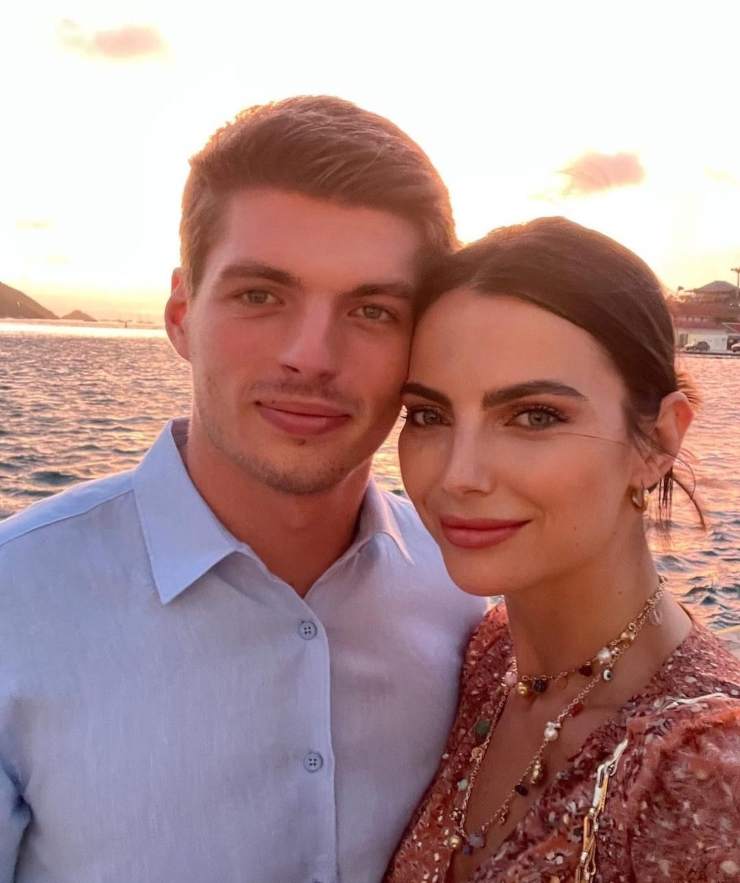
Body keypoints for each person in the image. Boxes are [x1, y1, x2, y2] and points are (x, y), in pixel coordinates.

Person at [0, 96, 485, 883]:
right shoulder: (16, 604)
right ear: (180, 313)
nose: (311, 355)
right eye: (261, 295)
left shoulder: (470, 601)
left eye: (371, 309)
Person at [384, 217, 740, 883]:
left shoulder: (705, 780)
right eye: (429, 415)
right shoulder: (490, 658)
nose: (459, 475)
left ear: (660, 440)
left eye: (535, 416)